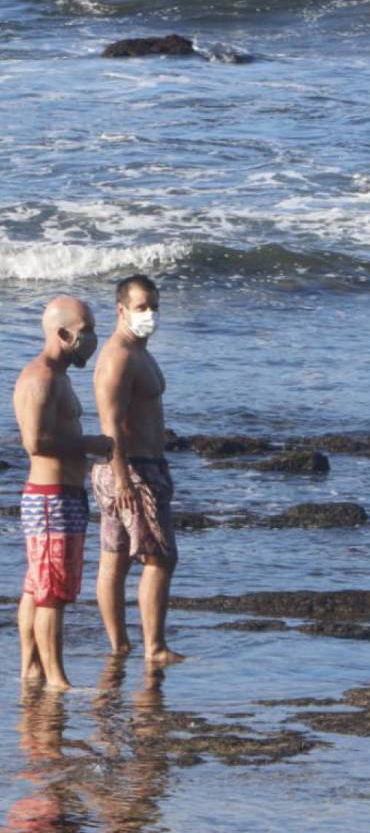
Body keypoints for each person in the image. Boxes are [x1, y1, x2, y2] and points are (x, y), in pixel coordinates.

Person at [13, 296, 113, 690]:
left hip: (60, 496)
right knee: (52, 591)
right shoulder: (40, 378)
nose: (92, 339)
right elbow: (35, 442)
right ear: (63, 333)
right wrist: (90, 444)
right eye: (86, 331)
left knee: (37, 585)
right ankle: (56, 677)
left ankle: (33, 668)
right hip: (51, 497)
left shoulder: (60, 376)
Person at [92, 274, 183, 664]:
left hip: (145, 466)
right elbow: (109, 422)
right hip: (131, 470)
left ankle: (122, 647)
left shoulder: (141, 353)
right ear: (121, 310)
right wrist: (124, 476)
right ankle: (153, 647)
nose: (150, 315)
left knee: (117, 556)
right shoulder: (118, 356)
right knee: (159, 557)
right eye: (142, 307)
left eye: (154, 307)